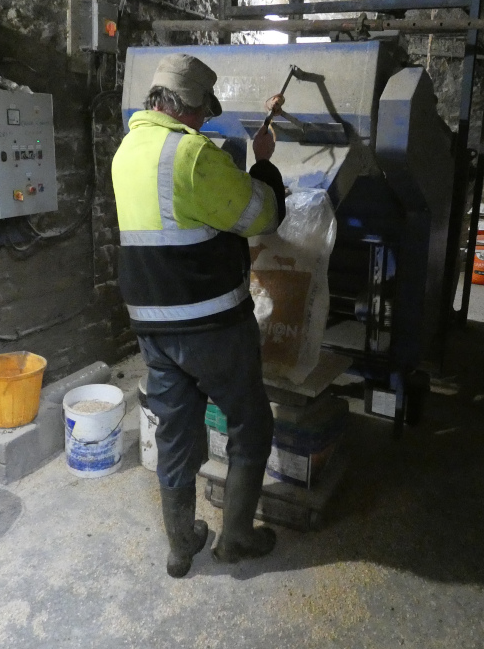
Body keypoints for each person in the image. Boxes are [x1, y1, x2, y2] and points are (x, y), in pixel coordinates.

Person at [111, 53, 287, 578]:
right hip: (212, 326)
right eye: (203, 114)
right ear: (186, 107)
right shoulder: (191, 155)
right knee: (250, 423)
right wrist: (263, 163)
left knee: (175, 431)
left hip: (152, 329)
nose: (206, 122)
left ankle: (182, 545)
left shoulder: (127, 151)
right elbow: (262, 216)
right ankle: (235, 540)